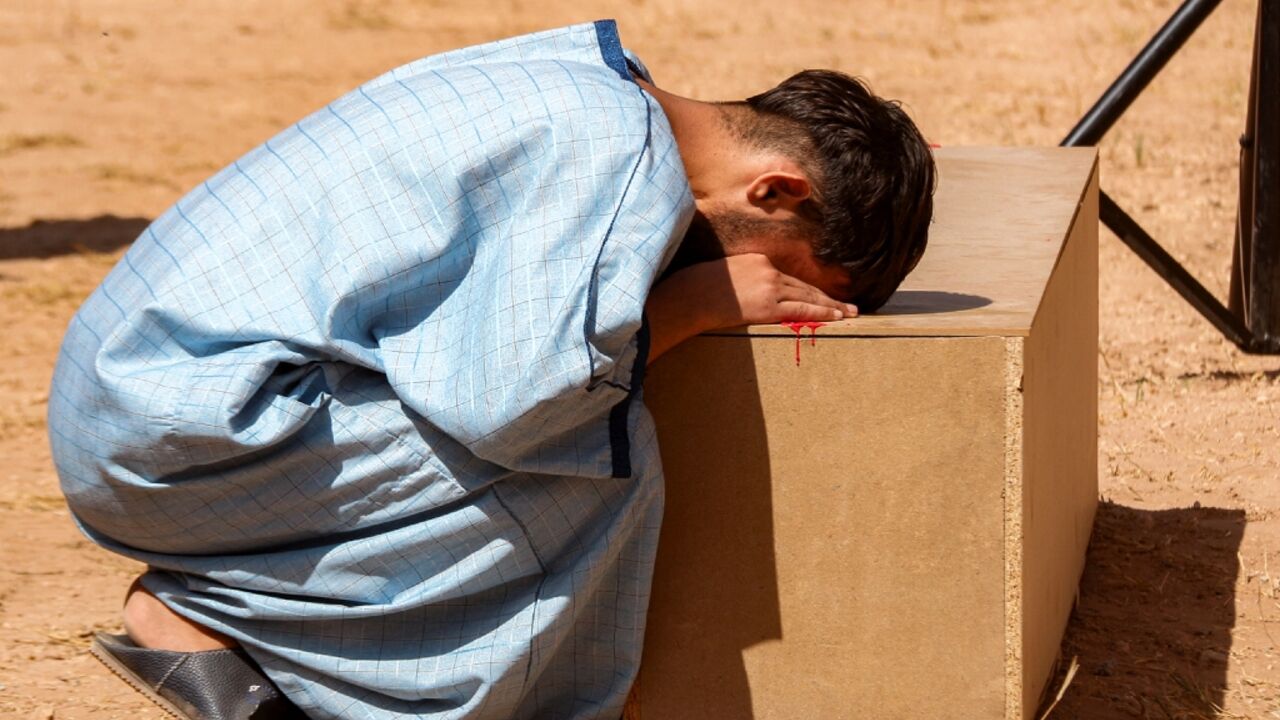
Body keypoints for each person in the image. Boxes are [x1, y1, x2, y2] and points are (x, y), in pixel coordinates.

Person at [48, 19, 934, 720]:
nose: (769, 293)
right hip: (180, 430)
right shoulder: (623, 163)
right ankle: (227, 631)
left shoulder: (587, 87)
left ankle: (238, 631)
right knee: (595, 460)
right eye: (785, 269)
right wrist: (701, 302)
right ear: (776, 191)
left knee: (592, 417)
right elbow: (511, 406)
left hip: (138, 399)